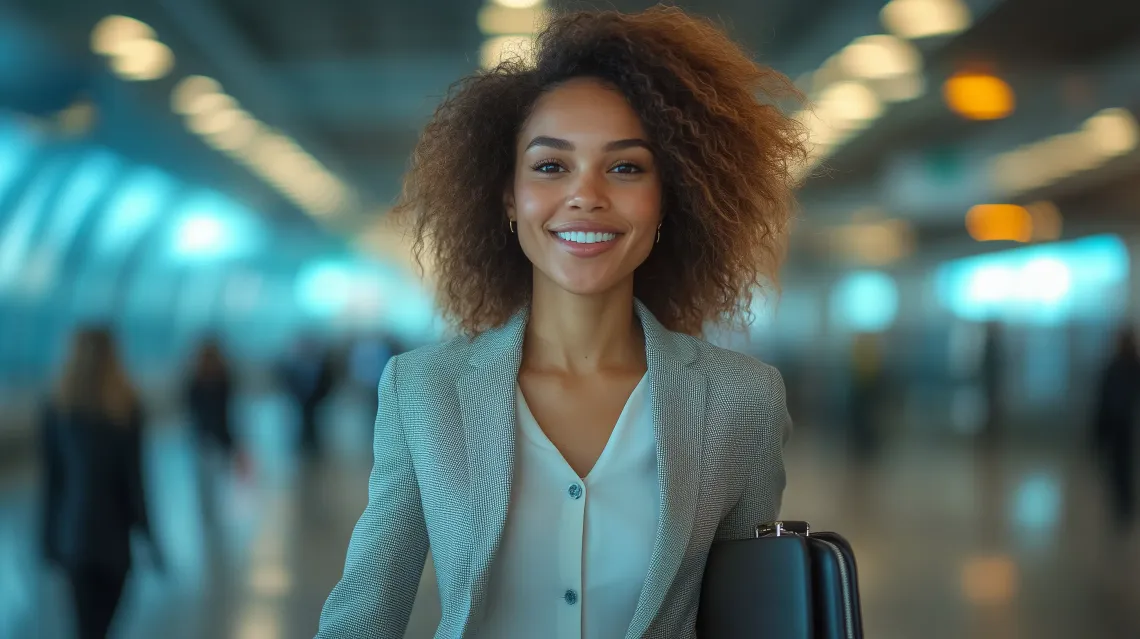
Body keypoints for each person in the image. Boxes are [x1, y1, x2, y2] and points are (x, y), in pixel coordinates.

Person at [317, 7, 804, 638]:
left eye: (625, 167)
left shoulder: (741, 401)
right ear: (507, 198)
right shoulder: (423, 391)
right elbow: (364, 617)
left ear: (667, 199)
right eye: (551, 166)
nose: (586, 195)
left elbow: (751, 618)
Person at [40, 327, 162, 639]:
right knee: (104, 626)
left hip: (74, 537)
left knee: (84, 627)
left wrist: (46, 540)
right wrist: (150, 538)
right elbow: (135, 482)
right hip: (114, 540)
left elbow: (53, 482)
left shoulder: (57, 406)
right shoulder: (125, 408)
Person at [1093, 326, 1140, 532]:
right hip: (1120, 425)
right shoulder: (1118, 367)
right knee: (1119, 467)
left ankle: (1124, 505)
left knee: (1123, 467)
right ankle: (1123, 505)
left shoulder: (1124, 367)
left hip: (1126, 425)